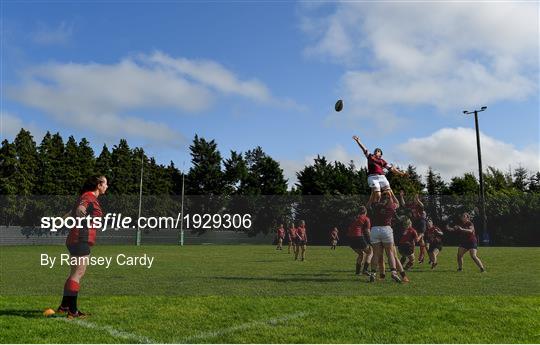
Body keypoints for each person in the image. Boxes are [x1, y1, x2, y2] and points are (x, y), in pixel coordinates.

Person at [57, 175, 108, 318]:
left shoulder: (86, 197)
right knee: (77, 274)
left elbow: (69, 214)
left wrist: (62, 220)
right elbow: (82, 206)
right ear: (99, 185)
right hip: (81, 239)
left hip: (76, 239)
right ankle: (73, 312)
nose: (107, 186)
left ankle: (64, 306)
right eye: (105, 183)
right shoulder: (88, 197)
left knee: (74, 273)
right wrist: (81, 209)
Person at [352, 135, 407, 207]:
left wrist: (401, 173)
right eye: (375, 150)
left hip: (382, 177)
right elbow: (363, 148)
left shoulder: (382, 161)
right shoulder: (370, 156)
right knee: (378, 195)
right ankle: (374, 207)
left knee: (389, 193)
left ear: (380, 154)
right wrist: (358, 141)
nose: (376, 151)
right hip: (372, 177)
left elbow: (392, 169)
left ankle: (392, 206)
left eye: (378, 151)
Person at [369, 190, 403, 283]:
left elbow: (371, 201)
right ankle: (393, 273)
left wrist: (374, 192)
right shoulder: (392, 207)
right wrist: (391, 192)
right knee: (390, 253)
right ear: (389, 199)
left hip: (375, 229)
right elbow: (398, 203)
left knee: (375, 253)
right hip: (386, 229)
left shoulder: (376, 206)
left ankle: (373, 274)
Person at [399, 191, 427, 263]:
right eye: (414, 198)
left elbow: (422, 205)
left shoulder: (419, 205)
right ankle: (411, 253)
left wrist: (418, 200)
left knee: (420, 239)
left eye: (416, 198)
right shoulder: (411, 205)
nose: (414, 199)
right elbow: (403, 204)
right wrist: (401, 196)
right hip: (414, 222)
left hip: (420, 221)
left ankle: (421, 256)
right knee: (412, 239)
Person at [347, 206, 373, 277]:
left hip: (350, 238)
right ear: (365, 212)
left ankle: (357, 272)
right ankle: (365, 270)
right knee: (370, 252)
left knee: (361, 254)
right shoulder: (366, 218)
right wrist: (371, 241)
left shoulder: (355, 217)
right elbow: (367, 231)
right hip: (358, 236)